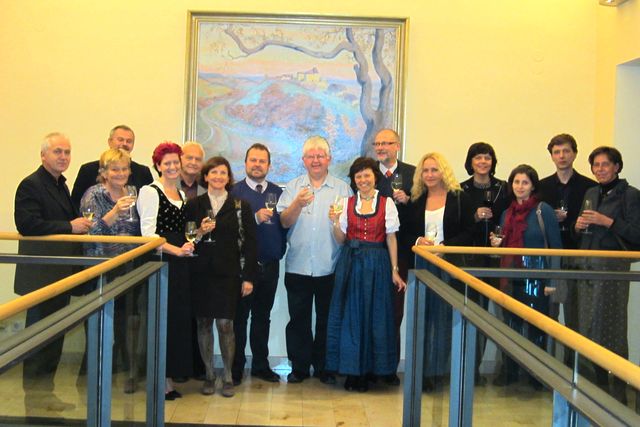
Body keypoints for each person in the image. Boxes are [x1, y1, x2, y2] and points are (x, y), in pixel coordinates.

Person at [14, 132, 92, 411]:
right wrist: (70, 226)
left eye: (67, 152)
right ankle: (34, 399)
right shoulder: (31, 184)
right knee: (39, 340)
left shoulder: (61, 185)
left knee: (54, 339)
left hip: (60, 274)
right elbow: (27, 224)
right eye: (57, 151)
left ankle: (46, 396)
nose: (63, 157)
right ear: (43, 155)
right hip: (41, 276)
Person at [325, 157, 406, 392]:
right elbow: (341, 239)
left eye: (366, 175)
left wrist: (394, 271)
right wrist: (334, 223)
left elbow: (391, 237)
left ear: (374, 177)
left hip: (378, 264)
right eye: (358, 176)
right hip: (351, 263)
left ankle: (372, 370)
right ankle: (353, 372)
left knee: (375, 316)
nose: (363, 179)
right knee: (351, 318)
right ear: (354, 180)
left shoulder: (387, 204)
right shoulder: (346, 203)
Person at [276, 135, 352, 384]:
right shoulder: (293, 187)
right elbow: (284, 222)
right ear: (303, 160)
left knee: (326, 321)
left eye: (320, 156)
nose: (316, 160)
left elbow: (348, 228)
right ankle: (298, 368)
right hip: (297, 265)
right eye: (311, 156)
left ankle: (323, 368)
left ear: (329, 159)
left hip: (330, 266)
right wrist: (297, 203)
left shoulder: (342, 189)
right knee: (298, 320)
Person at [186, 156, 257, 397]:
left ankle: (227, 375)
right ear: (205, 176)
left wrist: (248, 277)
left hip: (229, 274)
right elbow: (186, 239)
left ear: (228, 178)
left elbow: (250, 243)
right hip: (200, 274)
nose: (218, 177)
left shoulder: (240, 206)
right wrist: (199, 231)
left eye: (223, 173)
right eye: (213, 172)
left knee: (226, 325)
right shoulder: (193, 204)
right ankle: (209, 374)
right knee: (203, 323)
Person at [403, 152, 474, 391]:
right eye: (425, 170)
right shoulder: (416, 199)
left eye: (434, 170)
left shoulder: (460, 198)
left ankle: (438, 372)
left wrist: (446, 247)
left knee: (444, 321)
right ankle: (420, 372)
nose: (430, 174)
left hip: (449, 265)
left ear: (443, 172)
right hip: (421, 265)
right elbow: (404, 233)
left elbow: (470, 231)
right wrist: (417, 240)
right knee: (421, 319)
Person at [574, 146, 640, 404]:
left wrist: (607, 221)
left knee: (611, 329)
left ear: (617, 167)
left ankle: (618, 390)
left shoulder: (630, 195)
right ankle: (597, 386)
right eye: (596, 165)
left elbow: (636, 233)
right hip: (587, 266)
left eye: (605, 164)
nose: (600, 169)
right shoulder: (591, 192)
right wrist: (577, 226)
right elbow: (582, 230)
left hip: (612, 270)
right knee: (588, 328)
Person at [490, 164, 562, 389]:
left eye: (525, 182)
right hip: (510, 278)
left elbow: (556, 247)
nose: (520, 186)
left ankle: (536, 376)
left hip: (537, 278)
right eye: (516, 182)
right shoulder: (506, 213)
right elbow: (502, 247)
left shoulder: (543, 210)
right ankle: (510, 373)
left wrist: (552, 281)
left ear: (533, 186)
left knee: (536, 328)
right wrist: (496, 245)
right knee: (510, 325)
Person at [79, 148, 141, 393]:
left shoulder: (133, 192)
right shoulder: (93, 194)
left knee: (128, 321)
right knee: (101, 321)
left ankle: (126, 371)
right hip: (101, 267)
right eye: (115, 169)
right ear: (103, 172)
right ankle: (96, 373)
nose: (120, 173)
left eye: (124, 169)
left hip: (129, 266)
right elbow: (91, 231)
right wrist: (114, 212)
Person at [137, 142, 195, 400]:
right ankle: (159, 382)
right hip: (161, 262)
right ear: (158, 166)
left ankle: (168, 378)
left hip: (180, 265)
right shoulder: (150, 192)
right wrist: (176, 251)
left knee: (175, 321)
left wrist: (192, 240)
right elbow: (148, 236)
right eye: (167, 163)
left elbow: (183, 231)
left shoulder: (181, 193)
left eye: (175, 162)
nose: (172, 167)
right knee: (161, 321)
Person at [231, 143, 287, 385]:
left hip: (270, 266)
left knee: (263, 318)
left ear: (269, 165)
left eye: (262, 161)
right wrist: (254, 218)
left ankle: (261, 366)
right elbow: (230, 229)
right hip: (243, 267)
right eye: (253, 160)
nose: (257, 165)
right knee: (239, 319)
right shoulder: (234, 192)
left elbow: (284, 225)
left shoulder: (278, 192)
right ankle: (235, 368)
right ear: (245, 163)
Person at [537, 134, 596, 355]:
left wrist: (570, 220)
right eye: (557, 152)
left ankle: (574, 365)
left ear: (574, 154)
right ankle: (545, 363)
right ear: (551, 156)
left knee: (577, 317)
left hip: (578, 255)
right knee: (546, 315)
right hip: (549, 257)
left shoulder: (590, 187)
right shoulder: (541, 186)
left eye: (566, 151)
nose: (561, 156)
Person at [460, 142, 509, 384]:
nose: (482, 162)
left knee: (504, 315)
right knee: (474, 313)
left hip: (500, 260)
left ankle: (507, 369)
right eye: (478, 157)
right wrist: (474, 216)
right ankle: (472, 370)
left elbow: (511, 219)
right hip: (472, 260)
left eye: (487, 158)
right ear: (470, 162)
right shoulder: (460, 189)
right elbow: (457, 223)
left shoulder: (505, 188)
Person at [372, 128, 415, 385]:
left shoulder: (413, 174)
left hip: (402, 253)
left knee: (394, 313)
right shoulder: (368, 172)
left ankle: (389, 368)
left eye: (386, 143)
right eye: (377, 144)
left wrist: (408, 201)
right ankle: (369, 367)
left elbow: (422, 211)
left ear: (397, 146)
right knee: (372, 311)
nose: (381, 147)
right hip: (372, 253)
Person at [177, 140, 207, 383]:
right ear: (180, 159)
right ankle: (178, 367)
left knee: (198, 313)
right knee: (178, 314)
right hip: (174, 256)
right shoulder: (168, 186)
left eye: (198, 159)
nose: (193, 163)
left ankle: (196, 365)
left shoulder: (205, 190)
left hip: (199, 260)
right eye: (189, 157)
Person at [71, 124, 153, 209]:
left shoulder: (143, 172)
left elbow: (150, 204)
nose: (124, 144)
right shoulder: (88, 170)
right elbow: (75, 205)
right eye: (120, 140)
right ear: (110, 142)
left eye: (129, 141)